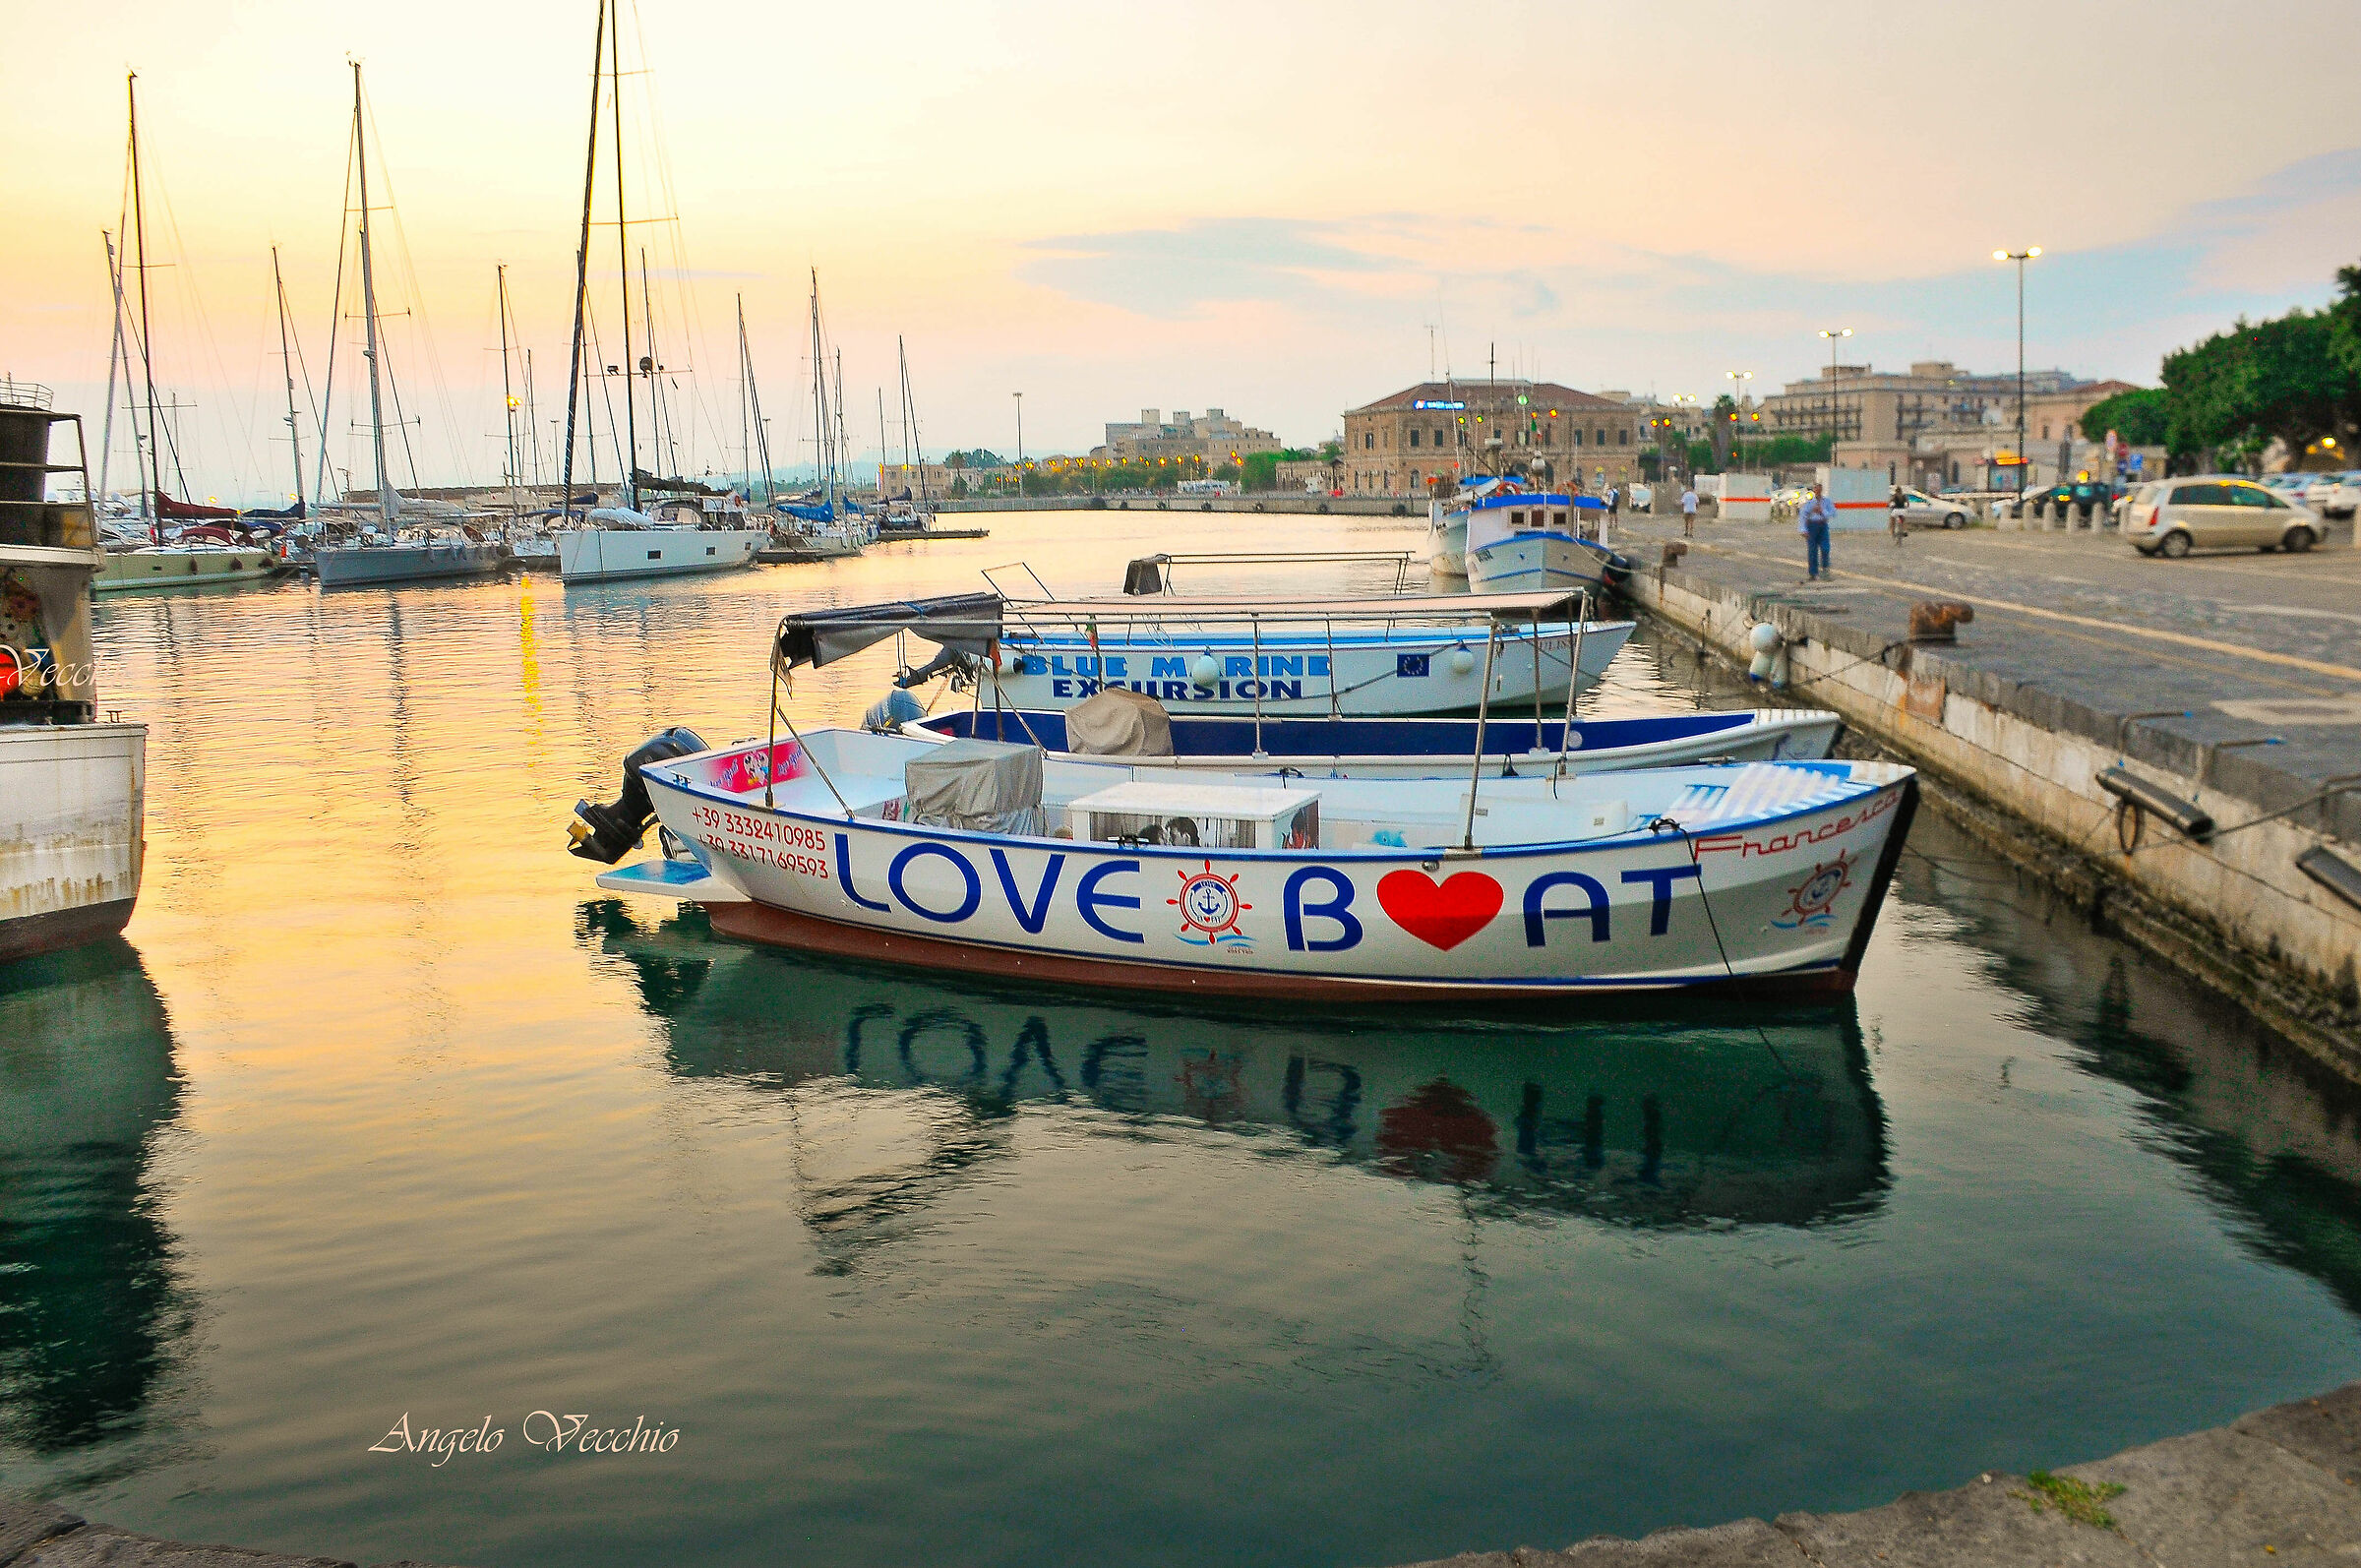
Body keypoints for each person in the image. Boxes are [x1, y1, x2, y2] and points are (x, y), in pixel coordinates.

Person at [1797, 483, 1836, 581]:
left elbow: (1833, 513)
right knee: (1812, 550)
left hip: (1823, 525)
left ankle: (1825, 570)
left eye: (1819, 489)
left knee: (1825, 548)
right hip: (1812, 526)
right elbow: (1803, 515)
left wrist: (1822, 511)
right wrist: (1803, 529)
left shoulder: (1827, 501)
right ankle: (1813, 573)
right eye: (1816, 489)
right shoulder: (1809, 502)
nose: (1818, 491)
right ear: (1814, 490)